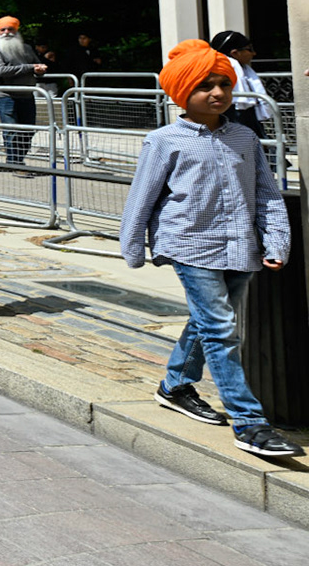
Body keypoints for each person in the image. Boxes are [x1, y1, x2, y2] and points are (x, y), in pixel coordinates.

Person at [119, 40, 299, 459]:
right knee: (221, 329)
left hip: (241, 248)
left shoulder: (245, 137)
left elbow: (267, 195)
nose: (217, 93)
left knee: (209, 323)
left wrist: (275, 240)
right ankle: (249, 422)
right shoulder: (163, 140)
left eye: (223, 84)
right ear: (183, 92)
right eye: (205, 86)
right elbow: (141, 198)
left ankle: (175, 385)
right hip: (188, 244)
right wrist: (133, 247)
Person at [0, 16, 46, 165]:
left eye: (10, 29)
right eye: (3, 30)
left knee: (28, 130)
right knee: (11, 130)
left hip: (27, 94)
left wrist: (39, 70)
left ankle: (19, 159)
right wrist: (30, 68)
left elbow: (37, 65)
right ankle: (14, 162)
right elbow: (1, 70)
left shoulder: (26, 48)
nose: (7, 32)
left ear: (16, 30)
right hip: (6, 96)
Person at [208, 31, 270, 135]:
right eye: (249, 49)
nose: (253, 53)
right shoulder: (222, 68)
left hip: (245, 113)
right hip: (233, 115)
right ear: (235, 53)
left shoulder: (243, 68)